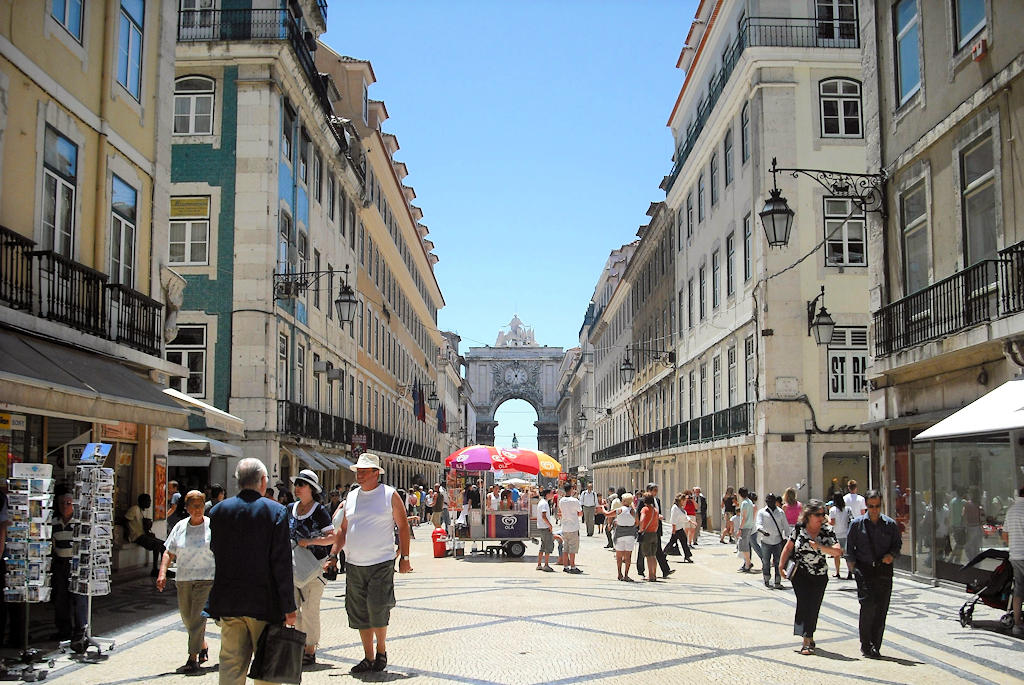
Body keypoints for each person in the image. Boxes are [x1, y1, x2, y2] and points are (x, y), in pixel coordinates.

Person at [208, 458, 296, 685]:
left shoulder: (218, 512)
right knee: (267, 668)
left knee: (230, 663)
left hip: (229, 601)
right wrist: (289, 606)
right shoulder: (276, 512)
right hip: (264, 602)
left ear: (237, 481)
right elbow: (281, 563)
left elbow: (215, 551)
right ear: (263, 481)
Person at [325, 453, 411, 674]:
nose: (359, 475)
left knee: (378, 606)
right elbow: (343, 529)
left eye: (364, 471)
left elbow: (403, 527)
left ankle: (381, 651)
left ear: (376, 473)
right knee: (359, 611)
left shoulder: (389, 495)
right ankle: (368, 657)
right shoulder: (351, 497)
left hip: (381, 562)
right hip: (354, 563)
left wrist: (405, 557)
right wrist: (333, 555)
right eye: (358, 471)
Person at [157, 490, 215, 674]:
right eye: (194, 506)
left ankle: (192, 659)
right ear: (187, 508)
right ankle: (202, 644)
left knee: (197, 618)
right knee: (187, 619)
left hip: (206, 578)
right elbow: (169, 552)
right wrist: (162, 573)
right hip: (183, 579)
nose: (198, 509)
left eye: (200, 505)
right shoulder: (180, 526)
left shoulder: (212, 526)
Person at [779, 500, 842, 656]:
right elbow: (789, 547)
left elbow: (837, 552)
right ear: (809, 515)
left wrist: (819, 547)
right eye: (818, 514)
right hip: (800, 574)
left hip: (819, 575)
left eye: (823, 514)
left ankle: (809, 634)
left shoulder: (827, 530)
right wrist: (780, 565)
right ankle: (806, 640)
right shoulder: (800, 528)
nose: (822, 517)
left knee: (814, 606)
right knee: (804, 603)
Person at [846, 489, 903, 658]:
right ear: (866, 506)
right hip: (864, 570)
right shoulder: (857, 525)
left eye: (877, 506)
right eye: (871, 506)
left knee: (881, 608)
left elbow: (897, 546)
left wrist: (891, 556)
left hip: (883, 570)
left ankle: (876, 644)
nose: (874, 510)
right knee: (868, 605)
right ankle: (866, 643)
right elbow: (850, 549)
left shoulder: (890, 525)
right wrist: (853, 568)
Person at [289, 469, 335, 666]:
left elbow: (332, 538)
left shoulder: (319, 511)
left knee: (310, 609)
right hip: (292, 566)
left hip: (314, 568)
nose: (297, 488)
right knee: (294, 609)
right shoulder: (290, 508)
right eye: (297, 484)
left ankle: (310, 648)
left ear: (312, 489)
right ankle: (300, 645)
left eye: (302, 484)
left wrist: (309, 541)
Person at [51, 493, 87, 644]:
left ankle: (80, 629)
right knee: (61, 598)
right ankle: (64, 630)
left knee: (78, 598)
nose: (65, 506)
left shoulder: (79, 523)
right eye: (62, 503)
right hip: (60, 564)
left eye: (68, 503)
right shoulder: (54, 523)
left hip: (75, 564)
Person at [636, 484, 674, 579]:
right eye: (654, 490)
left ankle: (664, 570)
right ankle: (641, 570)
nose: (656, 492)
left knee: (657, 551)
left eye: (657, 490)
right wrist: (640, 528)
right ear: (648, 490)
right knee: (643, 551)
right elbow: (639, 515)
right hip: (645, 530)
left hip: (655, 529)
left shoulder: (657, 501)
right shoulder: (642, 501)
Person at [125, 493, 165, 576]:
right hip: (136, 536)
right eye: (148, 501)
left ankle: (163, 569)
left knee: (164, 545)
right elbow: (125, 520)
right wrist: (127, 532)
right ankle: (155, 569)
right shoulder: (134, 509)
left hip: (142, 535)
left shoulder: (141, 511)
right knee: (157, 545)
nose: (150, 503)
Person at [1003, 485, 1024, 637]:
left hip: (1016, 556)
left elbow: (1005, 535)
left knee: (1018, 589)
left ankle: (1017, 624)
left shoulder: (1011, 510)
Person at [757, 493, 790, 589]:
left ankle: (777, 581)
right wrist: (763, 531)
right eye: (768, 500)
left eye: (771, 500)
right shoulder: (762, 512)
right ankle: (766, 578)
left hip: (778, 541)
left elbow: (786, 526)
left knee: (778, 562)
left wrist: (788, 538)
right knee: (766, 561)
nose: (770, 502)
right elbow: (758, 524)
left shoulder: (780, 512)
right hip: (766, 541)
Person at [611, 493, 637, 582]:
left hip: (620, 534)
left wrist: (602, 509)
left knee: (619, 555)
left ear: (625, 501)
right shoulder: (633, 511)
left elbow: (608, 514)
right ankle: (626, 574)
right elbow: (637, 523)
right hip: (630, 534)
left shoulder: (619, 510)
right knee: (628, 556)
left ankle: (619, 573)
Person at [558, 483, 583, 574]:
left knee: (565, 548)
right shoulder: (575, 500)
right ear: (571, 489)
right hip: (573, 526)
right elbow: (580, 513)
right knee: (573, 548)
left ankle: (565, 566)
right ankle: (573, 566)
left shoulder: (561, 501)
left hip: (565, 526)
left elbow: (560, 512)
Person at [829, 492, 853, 579]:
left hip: (837, 534)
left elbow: (832, 522)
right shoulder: (848, 509)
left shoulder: (832, 510)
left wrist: (827, 519)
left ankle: (837, 572)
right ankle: (850, 571)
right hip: (846, 533)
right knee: (847, 555)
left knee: (836, 554)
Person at [638, 495, 661, 582]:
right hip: (654, 534)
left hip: (646, 533)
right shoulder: (655, 510)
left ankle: (650, 575)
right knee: (653, 555)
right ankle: (654, 574)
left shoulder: (645, 509)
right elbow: (657, 522)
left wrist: (641, 529)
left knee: (648, 556)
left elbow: (642, 519)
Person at [666, 493, 693, 563]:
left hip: (680, 528)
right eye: (683, 500)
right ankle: (663, 554)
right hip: (676, 528)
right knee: (672, 542)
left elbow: (684, 516)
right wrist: (673, 528)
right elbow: (673, 518)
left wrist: (690, 521)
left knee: (684, 541)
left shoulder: (680, 508)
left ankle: (687, 556)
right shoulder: (675, 508)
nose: (684, 502)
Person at [535, 489, 555, 572]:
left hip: (541, 527)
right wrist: (550, 525)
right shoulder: (544, 504)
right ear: (547, 494)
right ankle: (546, 564)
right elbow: (544, 515)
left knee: (543, 546)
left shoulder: (542, 502)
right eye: (551, 493)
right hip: (545, 527)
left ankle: (539, 564)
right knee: (548, 546)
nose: (552, 495)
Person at [736, 487, 756, 573]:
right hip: (750, 526)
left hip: (745, 526)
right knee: (745, 545)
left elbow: (744, 517)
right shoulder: (750, 502)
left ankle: (748, 563)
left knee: (743, 546)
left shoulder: (744, 503)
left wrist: (740, 528)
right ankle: (747, 562)